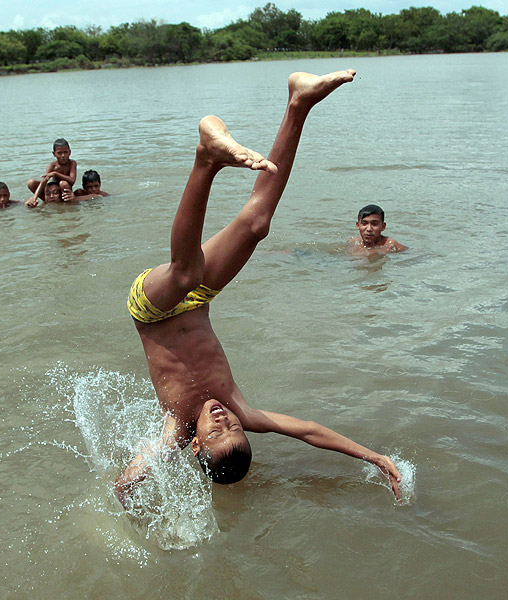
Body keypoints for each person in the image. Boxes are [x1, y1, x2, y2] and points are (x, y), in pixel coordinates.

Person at [114, 70, 402, 507]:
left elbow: (128, 480)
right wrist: (373, 456)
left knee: (185, 273)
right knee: (256, 224)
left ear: (195, 446)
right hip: (196, 298)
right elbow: (307, 431)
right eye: (234, 427)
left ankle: (206, 160)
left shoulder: (174, 429)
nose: (224, 419)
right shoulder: (241, 408)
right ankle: (298, 103)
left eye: (216, 431)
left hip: (151, 305)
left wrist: (126, 497)